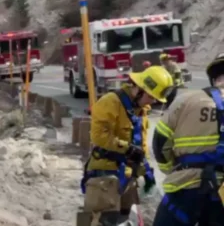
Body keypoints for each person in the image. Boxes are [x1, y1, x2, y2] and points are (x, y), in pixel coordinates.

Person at [79, 66, 174, 226]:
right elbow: (99, 136)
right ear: (139, 89)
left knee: (122, 220)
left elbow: (139, 144)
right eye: (151, 97)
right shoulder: (111, 102)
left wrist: (145, 171)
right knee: (98, 221)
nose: (153, 101)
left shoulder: (140, 109)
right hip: (105, 177)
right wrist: (127, 149)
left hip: (128, 178)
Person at [151, 53, 224, 225]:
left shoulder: (185, 100)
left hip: (185, 188)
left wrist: (172, 169)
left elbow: (160, 142)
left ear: (214, 79)